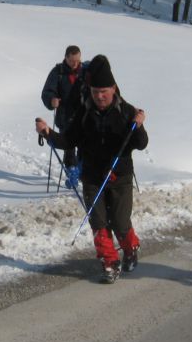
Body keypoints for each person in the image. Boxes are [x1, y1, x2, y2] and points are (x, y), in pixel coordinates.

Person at [35, 55, 148, 283]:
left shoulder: (126, 111)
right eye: (95, 91)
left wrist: (138, 126)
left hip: (120, 176)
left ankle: (130, 249)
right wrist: (47, 132)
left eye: (103, 91)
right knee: (98, 222)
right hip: (93, 176)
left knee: (119, 221)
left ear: (113, 89)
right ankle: (109, 262)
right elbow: (68, 140)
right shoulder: (84, 112)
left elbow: (141, 143)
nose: (99, 96)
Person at [41, 45, 89, 187]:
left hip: (84, 116)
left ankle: (81, 172)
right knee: (69, 147)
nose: (76, 64)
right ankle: (72, 172)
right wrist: (52, 100)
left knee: (85, 146)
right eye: (73, 61)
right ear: (66, 58)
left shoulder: (86, 70)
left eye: (78, 60)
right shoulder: (58, 72)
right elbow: (47, 92)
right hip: (65, 117)